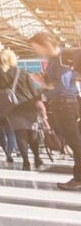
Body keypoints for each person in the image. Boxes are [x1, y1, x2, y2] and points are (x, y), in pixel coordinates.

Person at [29, 32, 81, 189]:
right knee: (74, 141)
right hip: (61, 104)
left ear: (46, 44)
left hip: (64, 104)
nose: (37, 51)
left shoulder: (62, 58)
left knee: (75, 142)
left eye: (36, 47)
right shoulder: (53, 61)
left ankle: (79, 178)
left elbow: (63, 87)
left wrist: (43, 84)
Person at [0, 48, 45, 171]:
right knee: (32, 133)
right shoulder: (22, 72)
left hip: (11, 108)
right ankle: (37, 158)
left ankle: (26, 162)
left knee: (20, 133)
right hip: (28, 106)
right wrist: (39, 102)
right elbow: (33, 90)